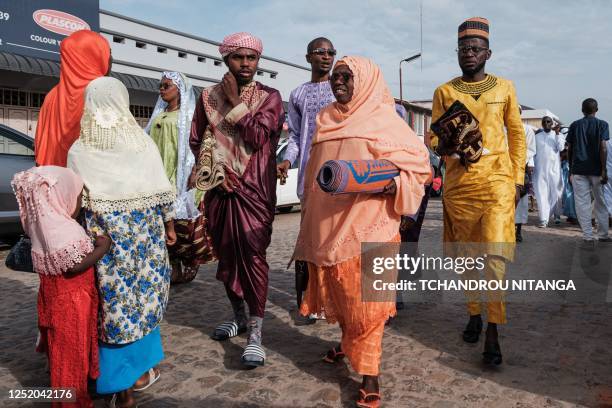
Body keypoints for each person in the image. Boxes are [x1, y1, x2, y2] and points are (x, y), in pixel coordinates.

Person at [294, 56, 430, 407]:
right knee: (342, 295)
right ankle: (345, 344)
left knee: (369, 305)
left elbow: (418, 167)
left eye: (346, 77)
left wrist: (390, 186)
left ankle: (370, 376)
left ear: (365, 81)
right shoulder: (325, 119)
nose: (337, 82)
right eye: (335, 77)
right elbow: (312, 174)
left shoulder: (386, 120)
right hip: (329, 226)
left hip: (372, 227)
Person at [67, 77, 177, 408]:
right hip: (146, 242)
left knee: (113, 308)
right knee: (143, 301)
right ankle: (140, 373)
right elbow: (161, 190)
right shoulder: (142, 145)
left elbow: (73, 203)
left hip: (107, 246)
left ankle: (119, 383)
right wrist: (170, 226)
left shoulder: (79, 150)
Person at [430, 17, 526, 365]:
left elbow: (515, 134)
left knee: (495, 256)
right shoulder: (445, 91)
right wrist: (450, 143)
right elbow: (433, 137)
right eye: (463, 49)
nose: (468, 54)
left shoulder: (505, 88)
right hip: (460, 185)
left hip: (498, 181)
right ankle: (473, 312)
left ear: (488, 52)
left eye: (475, 49)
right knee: (469, 256)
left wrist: (517, 180)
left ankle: (494, 328)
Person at [190, 32, 284, 367]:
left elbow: (258, 136)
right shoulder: (206, 97)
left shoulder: (270, 97)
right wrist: (217, 174)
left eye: (251, 58)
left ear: (258, 61)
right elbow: (196, 141)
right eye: (238, 57)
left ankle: (256, 335)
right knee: (227, 257)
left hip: (255, 189)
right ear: (226, 59)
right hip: (220, 190)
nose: (245, 64)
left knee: (253, 257)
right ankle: (239, 316)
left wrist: (232, 101)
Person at [12, 166, 112, 408]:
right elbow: (73, 266)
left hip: (56, 300)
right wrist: (102, 248)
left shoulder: (40, 223)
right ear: (60, 196)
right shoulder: (62, 229)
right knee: (71, 357)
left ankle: (70, 393)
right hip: (72, 305)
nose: (78, 204)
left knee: (63, 354)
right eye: (77, 196)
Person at [276, 37, 336, 323]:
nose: (326, 57)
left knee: (334, 241)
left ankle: (333, 300)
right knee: (310, 243)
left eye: (331, 52)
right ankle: (310, 300)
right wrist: (287, 160)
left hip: (339, 177)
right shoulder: (298, 94)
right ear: (308, 57)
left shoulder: (342, 88)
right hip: (308, 179)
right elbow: (296, 137)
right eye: (320, 52)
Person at [146, 71, 214, 284]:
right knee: (163, 223)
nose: (162, 89)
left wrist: (195, 171)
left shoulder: (190, 116)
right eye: (161, 86)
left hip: (182, 175)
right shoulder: (158, 115)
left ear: (179, 89)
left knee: (183, 223)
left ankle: (191, 260)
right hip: (159, 175)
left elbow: (200, 145)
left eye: (167, 86)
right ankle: (173, 266)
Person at [35, 30, 111, 167]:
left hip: (56, 180)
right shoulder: (103, 92)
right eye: (108, 52)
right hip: (90, 180)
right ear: (93, 55)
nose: (111, 58)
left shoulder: (52, 95)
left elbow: (41, 144)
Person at [566, 98, 610, 243]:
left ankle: (588, 236)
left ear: (582, 110)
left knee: (582, 203)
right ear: (596, 110)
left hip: (578, 170)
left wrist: (571, 170)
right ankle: (603, 234)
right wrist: (604, 170)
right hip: (597, 170)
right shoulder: (602, 125)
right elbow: (603, 147)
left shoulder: (575, 125)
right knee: (600, 202)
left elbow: (569, 149)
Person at [533, 117, 565, 228]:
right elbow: (533, 152)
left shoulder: (559, 135)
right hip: (539, 169)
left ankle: (556, 215)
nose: (546, 123)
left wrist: (556, 134)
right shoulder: (536, 137)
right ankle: (543, 219)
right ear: (542, 124)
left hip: (554, 169)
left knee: (556, 193)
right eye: (544, 122)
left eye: (548, 122)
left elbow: (561, 148)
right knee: (541, 194)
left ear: (552, 123)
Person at [515, 114, 537, 241]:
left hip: (519, 168)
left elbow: (531, 150)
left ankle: (518, 231)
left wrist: (520, 160)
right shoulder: (501, 128)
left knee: (521, 200)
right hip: (502, 169)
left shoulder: (527, 129)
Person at [560, 141, 578, 223]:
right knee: (567, 194)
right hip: (566, 172)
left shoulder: (571, 149)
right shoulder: (565, 150)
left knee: (569, 194)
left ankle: (573, 215)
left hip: (570, 172)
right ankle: (571, 215)